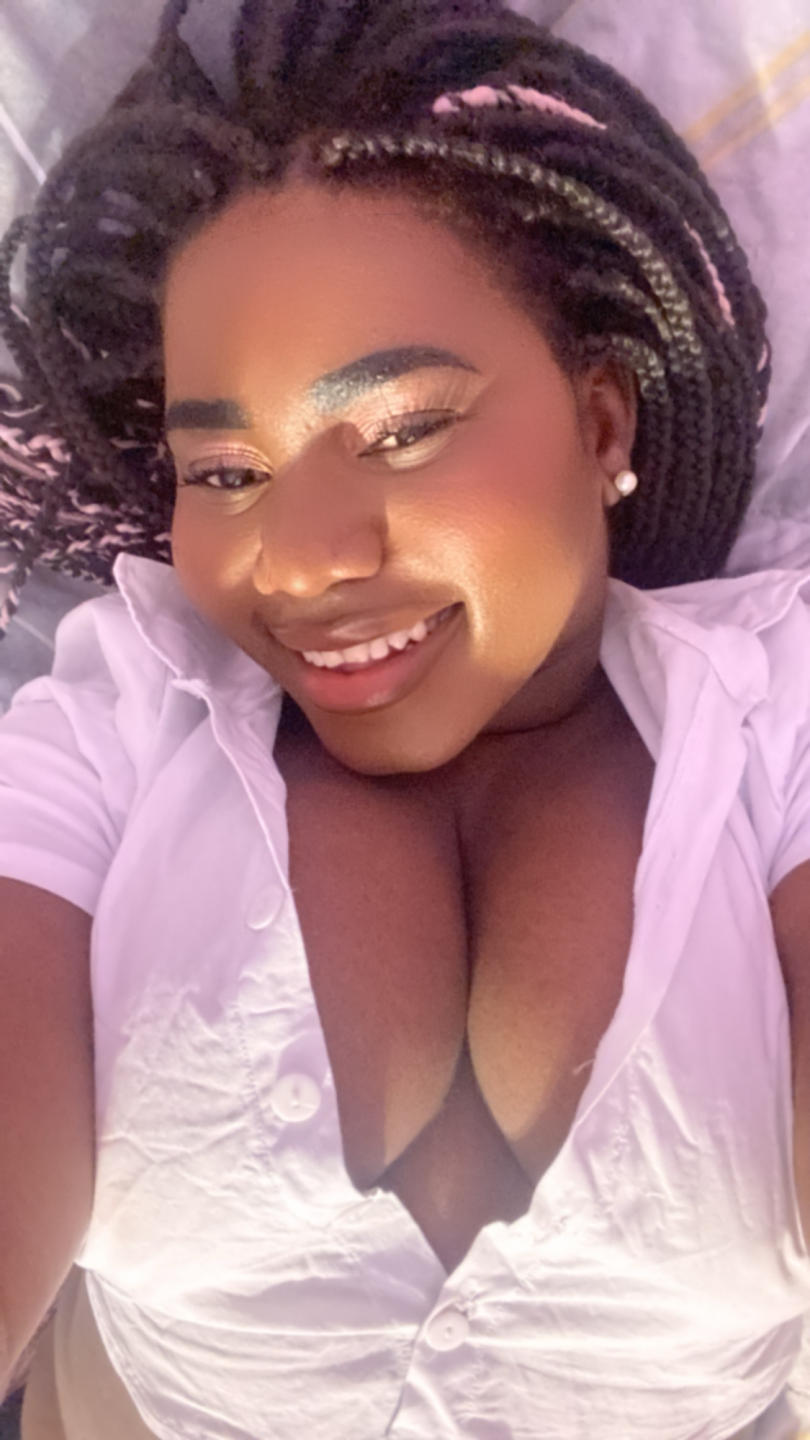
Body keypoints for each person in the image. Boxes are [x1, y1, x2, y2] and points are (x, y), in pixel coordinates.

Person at [0, 0, 809, 1436]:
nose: (300, 562)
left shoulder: (777, 714)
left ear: (602, 424)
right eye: (227, 474)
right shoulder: (116, 723)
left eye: (402, 430)